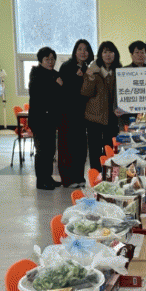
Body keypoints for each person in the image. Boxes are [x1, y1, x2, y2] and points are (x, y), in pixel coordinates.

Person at [81, 41, 123, 172]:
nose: (108, 55)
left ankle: (109, 176)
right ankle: (96, 176)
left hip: (113, 117)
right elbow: (86, 92)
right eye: (105, 52)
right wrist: (90, 77)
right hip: (95, 117)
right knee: (95, 150)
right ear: (100, 55)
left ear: (115, 54)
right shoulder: (93, 71)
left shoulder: (120, 71)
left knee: (110, 148)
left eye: (111, 52)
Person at [57, 39, 94, 188]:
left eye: (86, 49)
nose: (83, 52)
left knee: (80, 146)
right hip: (67, 113)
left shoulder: (87, 67)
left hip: (81, 114)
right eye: (80, 49)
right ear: (75, 51)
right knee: (67, 146)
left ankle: (79, 176)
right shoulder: (67, 66)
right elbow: (64, 89)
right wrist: (76, 77)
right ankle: (68, 179)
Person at [28, 46, 63, 190]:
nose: (50, 62)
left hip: (51, 119)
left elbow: (58, 94)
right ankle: (41, 181)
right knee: (42, 151)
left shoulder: (54, 74)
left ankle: (48, 177)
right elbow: (42, 95)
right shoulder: (36, 74)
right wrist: (56, 85)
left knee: (50, 151)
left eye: (53, 59)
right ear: (40, 60)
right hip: (39, 119)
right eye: (47, 59)